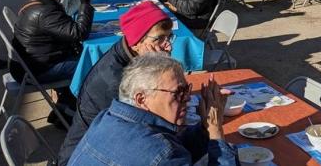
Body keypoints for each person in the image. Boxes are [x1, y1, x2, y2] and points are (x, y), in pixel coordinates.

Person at [68, 53, 238, 166]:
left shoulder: (107, 117)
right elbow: (162, 152)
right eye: (178, 92)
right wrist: (216, 132)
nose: (187, 98)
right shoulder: (161, 153)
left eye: (187, 89)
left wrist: (205, 127)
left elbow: (172, 146)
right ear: (142, 99)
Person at [58, 2, 174, 165]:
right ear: (136, 42)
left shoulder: (129, 54)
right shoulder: (116, 80)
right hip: (85, 157)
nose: (169, 45)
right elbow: (142, 131)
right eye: (160, 38)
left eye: (169, 37)